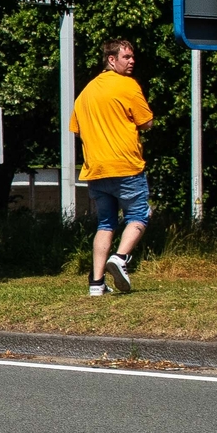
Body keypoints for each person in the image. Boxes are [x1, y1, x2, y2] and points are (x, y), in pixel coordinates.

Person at [70, 37, 154, 294]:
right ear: (111, 59)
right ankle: (121, 258)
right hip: (126, 165)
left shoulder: (86, 92)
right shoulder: (127, 85)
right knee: (139, 215)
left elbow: (76, 129)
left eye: (132, 57)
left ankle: (96, 284)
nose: (132, 61)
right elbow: (147, 122)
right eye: (126, 57)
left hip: (95, 169)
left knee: (105, 223)